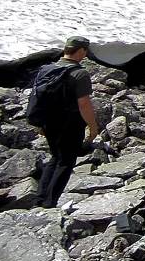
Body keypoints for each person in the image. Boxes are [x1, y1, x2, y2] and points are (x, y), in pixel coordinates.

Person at [35, 36, 100, 208]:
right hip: (70, 124)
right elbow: (84, 103)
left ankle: (40, 199)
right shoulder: (80, 73)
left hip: (48, 122)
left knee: (55, 157)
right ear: (80, 51)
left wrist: (40, 123)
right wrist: (92, 127)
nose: (85, 55)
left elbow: (39, 97)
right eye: (85, 51)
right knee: (66, 162)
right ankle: (49, 203)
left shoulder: (47, 69)